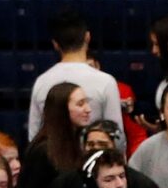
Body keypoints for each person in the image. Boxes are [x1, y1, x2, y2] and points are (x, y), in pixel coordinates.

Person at [25, 8, 120, 141]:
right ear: (87, 37)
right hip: (93, 158)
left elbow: (34, 136)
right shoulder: (105, 82)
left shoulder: (42, 82)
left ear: (55, 44)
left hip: (53, 159)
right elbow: (116, 136)